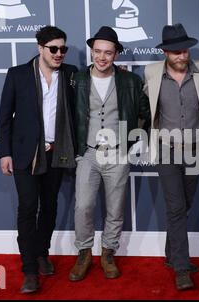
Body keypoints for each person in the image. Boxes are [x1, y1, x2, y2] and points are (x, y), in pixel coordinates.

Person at [0, 26, 78, 293]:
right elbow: (5, 117)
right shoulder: (18, 74)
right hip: (25, 154)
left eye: (62, 49)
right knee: (28, 209)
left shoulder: (70, 75)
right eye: (53, 48)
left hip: (57, 152)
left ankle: (42, 252)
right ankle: (30, 270)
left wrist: (117, 74)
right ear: (40, 48)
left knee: (50, 206)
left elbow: (89, 90)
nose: (59, 54)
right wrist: (5, 152)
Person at [68, 26, 150, 282]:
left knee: (115, 208)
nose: (101, 57)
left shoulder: (130, 80)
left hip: (118, 153)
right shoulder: (77, 79)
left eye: (108, 52)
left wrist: (136, 141)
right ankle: (84, 253)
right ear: (92, 52)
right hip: (89, 152)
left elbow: (144, 113)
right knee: (83, 206)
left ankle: (107, 253)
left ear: (116, 54)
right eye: (97, 52)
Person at [144, 23, 199, 290]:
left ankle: (172, 255)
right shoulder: (151, 72)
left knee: (185, 205)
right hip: (166, 150)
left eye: (184, 51)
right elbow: (143, 105)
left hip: (195, 150)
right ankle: (182, 268)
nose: (182, 56)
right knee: (175, 209)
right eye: (175, 53)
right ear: (165, 53)